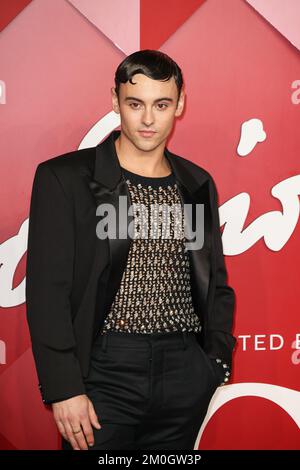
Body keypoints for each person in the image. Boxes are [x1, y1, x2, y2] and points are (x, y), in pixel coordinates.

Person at [25, 49, 237, 451]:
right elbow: (46, 293)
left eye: (162, 104)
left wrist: (215, 364)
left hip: (184, 373)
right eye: (134, 103)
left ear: (180, 104)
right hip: (104, 372)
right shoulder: (66, 178)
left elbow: (216, 283)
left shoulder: (195, 183)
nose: (148, 119)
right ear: (115, 100)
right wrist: (63, 387)